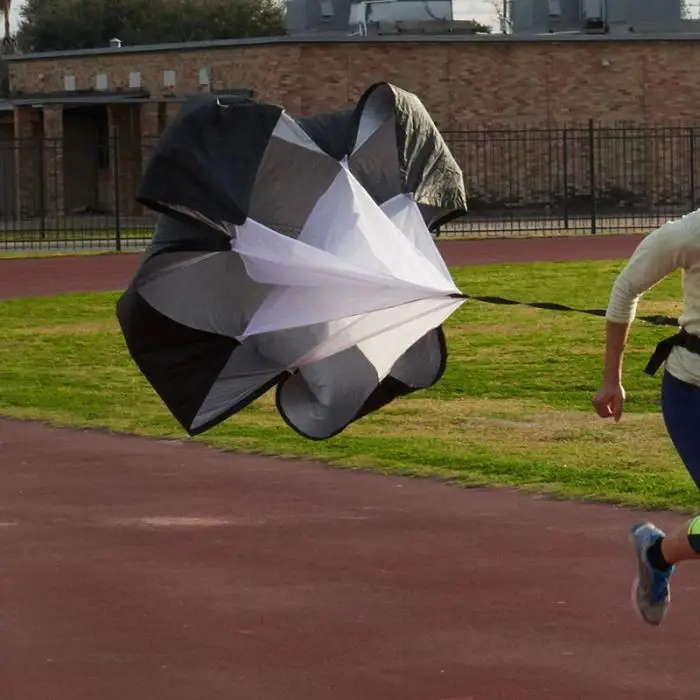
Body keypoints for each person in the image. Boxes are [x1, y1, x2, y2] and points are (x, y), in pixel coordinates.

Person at [593, 209, 700, 626]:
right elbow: (625, 289)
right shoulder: (690, 233)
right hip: (692, 392)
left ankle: (655, 553)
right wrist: (611, 379)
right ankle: (655, 554)